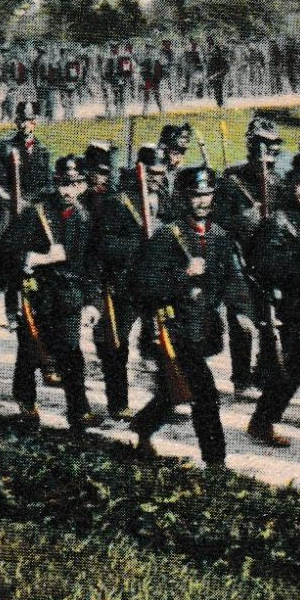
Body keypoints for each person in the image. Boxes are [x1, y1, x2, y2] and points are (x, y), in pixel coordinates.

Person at [130, 165, 256, 467]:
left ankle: (143, 427)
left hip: (201, 328)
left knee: (177, 391)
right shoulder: (167, 236)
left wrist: (242, 312)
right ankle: (216, 463)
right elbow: (142, 284)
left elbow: (234, 279)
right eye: (196, 195)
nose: (203, 201)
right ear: (184, 197)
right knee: (205, 394)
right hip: (170, 328)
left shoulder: (220, 237)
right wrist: (182, 275)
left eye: (208, 194)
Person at [5, 155, 102, 431]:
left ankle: (78, 412)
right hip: (37, 295)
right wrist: (40, 258)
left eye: (74, 184)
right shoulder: (37, 213)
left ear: (83, 185)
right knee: (29, 354)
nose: (66, 191)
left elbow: (92, 267)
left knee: (72, 354)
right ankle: (27, 407)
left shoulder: (85, 219)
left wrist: (93, 303)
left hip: (68, 297)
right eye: (61, 183)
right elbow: (7, 251)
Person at [246, 152, 300, 447]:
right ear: (291, 182)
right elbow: (266, 266)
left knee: (297, 370)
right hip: (290, 307)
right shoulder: (278, 221)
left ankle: (262, 421)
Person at [94, 144, 169, 418]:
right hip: (126, 283)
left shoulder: (164, 197)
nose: (157, 178)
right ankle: (118, 402)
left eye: (161, 173)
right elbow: (105, 243)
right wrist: (140, 244)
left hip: (157, 282)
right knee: (116, 342)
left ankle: (167, 399)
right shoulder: (119, 201)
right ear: (140, 170)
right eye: (151, 172)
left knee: (167, 341)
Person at [214, 116, 284, 394]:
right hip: (238, 260)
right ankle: (240, 378)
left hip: (269, 261)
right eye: (259, 149)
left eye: (270, 150)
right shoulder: (232, 181)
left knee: (270, 321)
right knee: (242, 323)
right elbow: (217, 223)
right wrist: (243, 221)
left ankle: (265, 373)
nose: (264, 159)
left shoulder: (280, 184)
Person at [0, 100, 51, 224]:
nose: (25, 125)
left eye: (29, 120)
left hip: (34, 206)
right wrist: (14, 200)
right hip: (7, 205)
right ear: (16, 122)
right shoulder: (3, 149)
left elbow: (48, 185)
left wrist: (29, 202)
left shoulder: (43, 152)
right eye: (22, 120)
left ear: (35, 122)